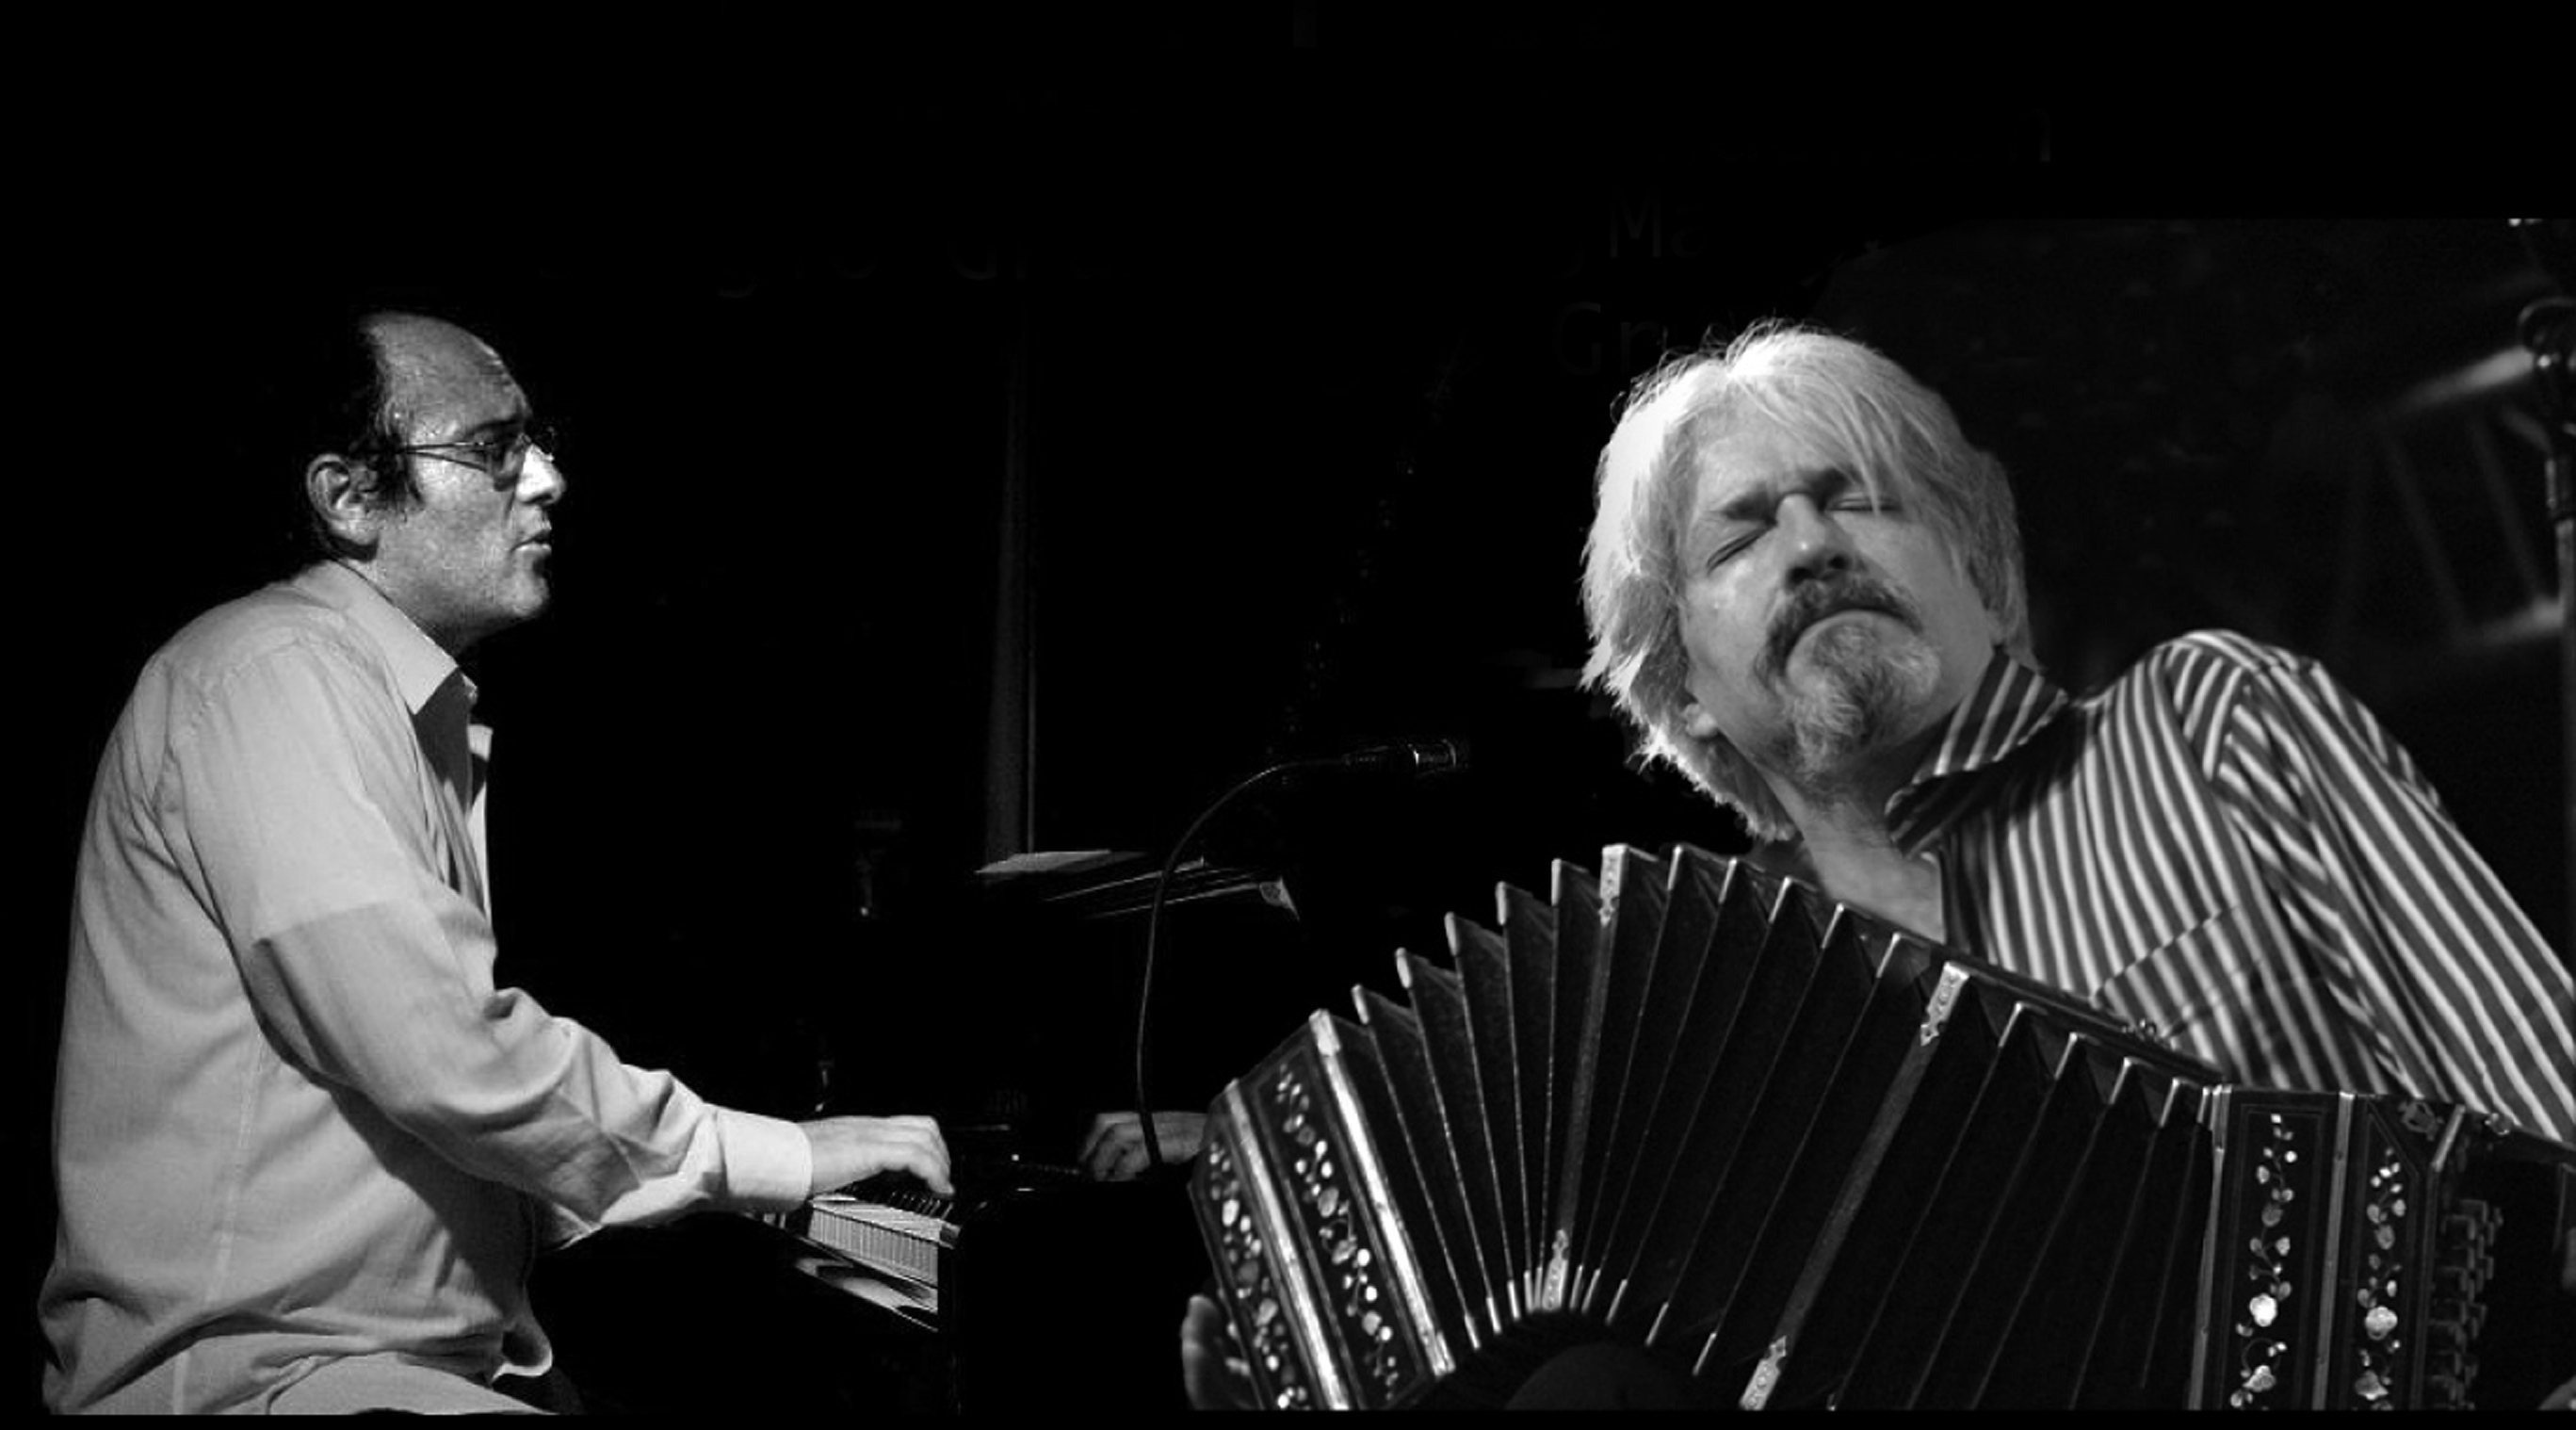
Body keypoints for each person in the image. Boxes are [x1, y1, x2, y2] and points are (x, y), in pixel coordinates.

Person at [1177, 319, 2576, 1407]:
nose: (1810, 546)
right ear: (1683, 691)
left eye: (1858, 500)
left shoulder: (2204, 723)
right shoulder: (1691, 1040)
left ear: (1979, 571)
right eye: (1742, 534)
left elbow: (2547, 1113)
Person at [41, 311, 951, 1414]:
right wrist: (775, 1159)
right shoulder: (271, 677)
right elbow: (446, 1055)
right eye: (493, 448)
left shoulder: (374, 695)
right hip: (262, 1379)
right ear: (348, 497)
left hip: (380, 1366)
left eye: (538, 441)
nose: (549, 479)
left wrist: (741, 1185)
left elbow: (430, 1123)